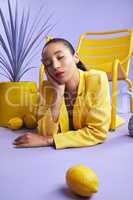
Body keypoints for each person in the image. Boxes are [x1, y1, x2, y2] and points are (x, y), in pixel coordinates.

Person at [13, 38, 111, 149]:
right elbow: (45, 132)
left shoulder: (97, 79)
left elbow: (98, 132)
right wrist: (58, 93)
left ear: (76, 57)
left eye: (60, 57)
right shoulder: (47, 88)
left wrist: (49, 140)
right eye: (48, 63)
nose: (55, 66)